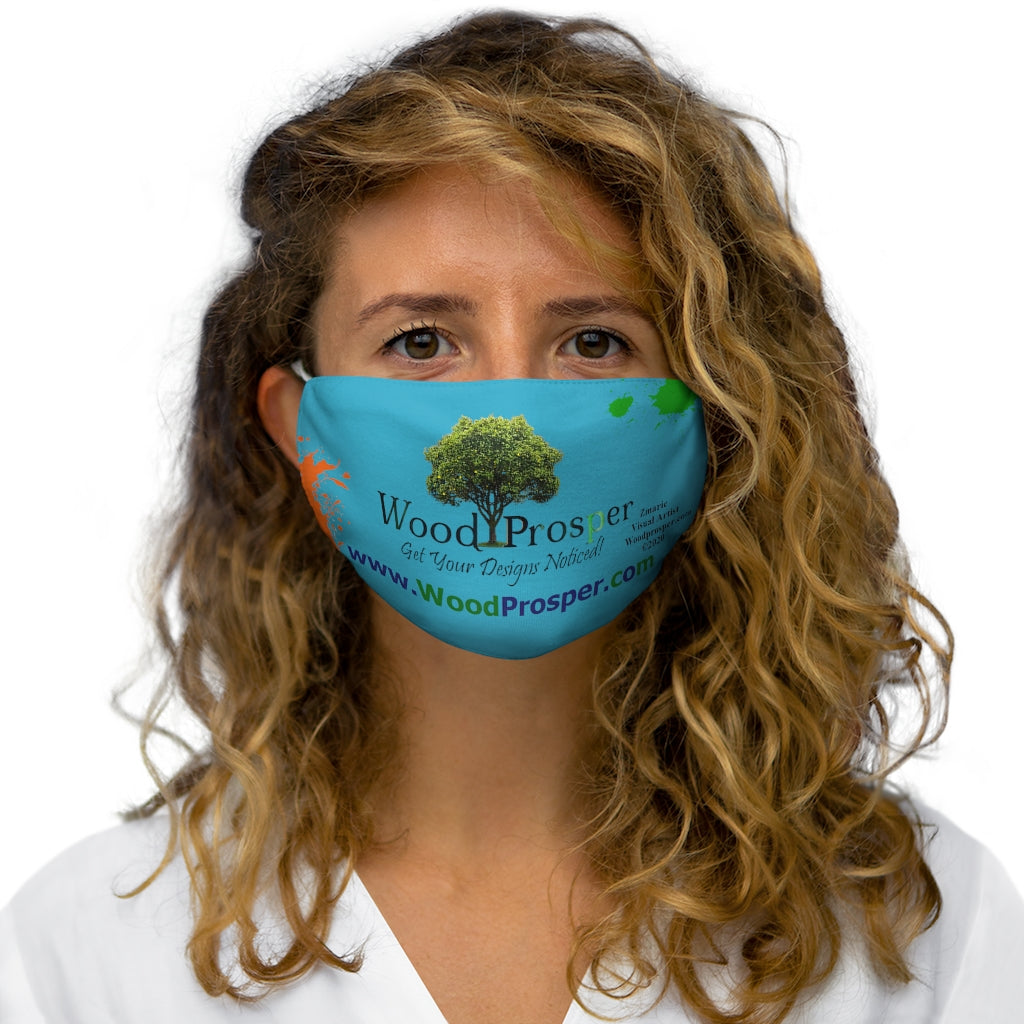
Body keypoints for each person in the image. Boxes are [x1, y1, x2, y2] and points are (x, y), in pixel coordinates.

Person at [2, 10, 1022, 1024]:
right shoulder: (88, 948)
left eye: (593, 341)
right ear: (297, 426)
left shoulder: (924, 928)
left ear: (715, 412)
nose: (508, 408)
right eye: (419, 341)